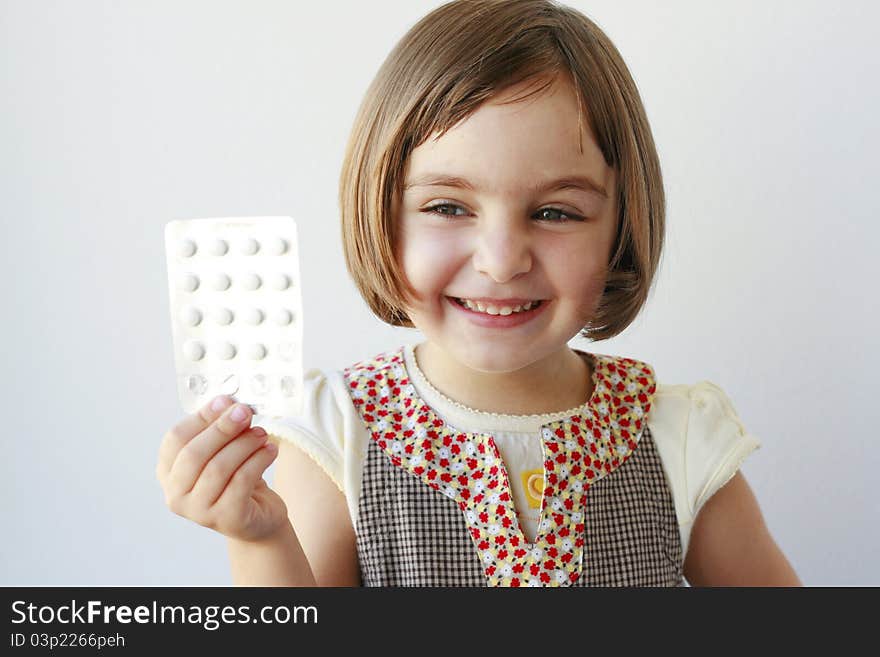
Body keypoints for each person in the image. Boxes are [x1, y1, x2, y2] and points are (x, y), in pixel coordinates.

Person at [156, 0, 801, 587]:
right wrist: (258, 535)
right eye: (446, 206)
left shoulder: (679, 436)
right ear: (380, 214)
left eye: (556, 213)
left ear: (622, 227)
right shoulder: (332, 435)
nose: (500, 263)